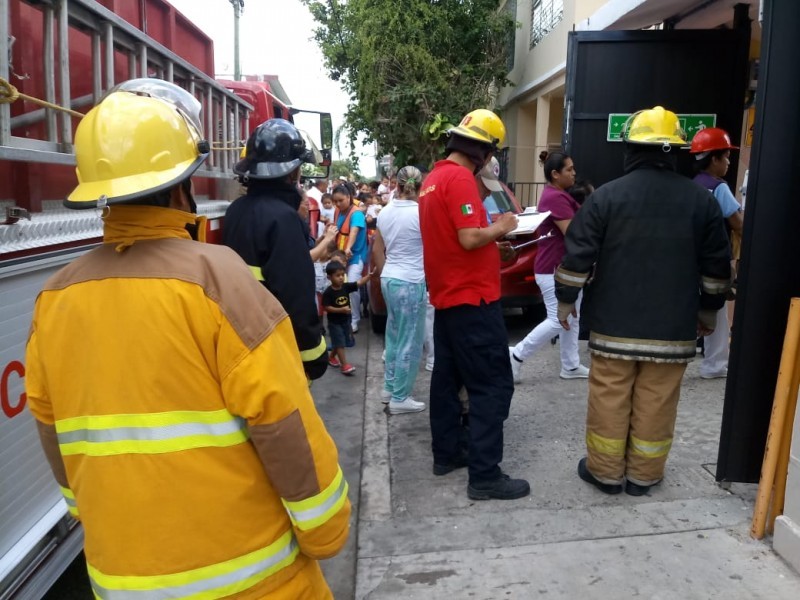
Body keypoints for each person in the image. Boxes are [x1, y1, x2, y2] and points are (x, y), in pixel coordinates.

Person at [25, 79, 350, 598]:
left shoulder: (54, 298)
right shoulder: (216, 280)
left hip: (121, 581)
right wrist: (326, 529)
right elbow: (282, 419)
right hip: (253, 581)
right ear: (183, 184)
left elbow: (53, 433)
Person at [554, 106, 731, 496]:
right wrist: (708, 311)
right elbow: (717, 268)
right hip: (671, 329)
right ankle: (643, 476)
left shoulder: (606, 198)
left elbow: (577, 257)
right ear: (676, 151)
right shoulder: (702, 202)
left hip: (614, 327)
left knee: (610, 399)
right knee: (657, 401)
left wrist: (565, 303)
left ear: (632, 149)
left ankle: (605, 473)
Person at [419, 108, 530, 501]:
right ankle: (485, 476)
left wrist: (490, 246)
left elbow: (456, 242)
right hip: (473, 301)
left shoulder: (432, 181)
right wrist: (503, 225)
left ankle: (446, 454)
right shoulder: (460, 179)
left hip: (448, 299)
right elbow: (468, 238)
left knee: (446, 381)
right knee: (492, 386)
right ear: (484, 151)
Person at [224, 118, 329, 381]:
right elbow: (296, 296)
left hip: (238, 345)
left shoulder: (235, 211)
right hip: (278, 355)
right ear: (293, 173)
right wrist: (313, 358)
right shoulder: (284, 218)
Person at [508, 151, 590, 384]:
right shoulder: (555, 197)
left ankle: (571, 365)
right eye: (569, 169)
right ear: (555, 174)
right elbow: (574, 232)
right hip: (553, 268)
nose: (574, 173)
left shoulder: (559, 194)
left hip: (563, 267)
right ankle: (516, 355)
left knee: (572, 317)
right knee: (558, 319)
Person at [372, 166, 428, 415]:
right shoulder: (421, 213)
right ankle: (400, 397)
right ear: (419, 186)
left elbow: (378, 249)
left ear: (396, 184)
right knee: (410, 340)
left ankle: (389, 388)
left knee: (393, 336)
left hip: (390, 278)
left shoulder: (385, 212)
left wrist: (387, 272)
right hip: (411, 280)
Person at [690, 127, 743, 380]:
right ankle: (714, 365)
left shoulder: (693, 186)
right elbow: (738, 223)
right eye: (726, 157)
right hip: (715, 258)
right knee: (718, 311)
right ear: (714, 159)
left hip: (691, 258)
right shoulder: (719, 187)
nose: (729, 162)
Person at [322, 261, 373, 375]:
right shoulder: (328, 292)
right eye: (337, 275)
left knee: (341, 341)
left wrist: (369, 276)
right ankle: (344, 365)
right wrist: (341, 310)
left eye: (342, 275)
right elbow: (327, 307)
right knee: (340, 343)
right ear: (329, 277)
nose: (341, 278)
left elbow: (358, 283)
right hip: (334, 323)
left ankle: (331, 357)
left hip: (345, 321)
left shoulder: (345, 287)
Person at [331, 183, 369, 333]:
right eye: (336, 201)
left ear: (349, 197)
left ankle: (354, 319)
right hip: (340, 257)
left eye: (341, 200)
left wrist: (348, 248)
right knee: (338, 286)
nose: (338, 204)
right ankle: (343, 315)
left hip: (355, 256)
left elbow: (353, 232)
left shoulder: (357, 214)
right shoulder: (338, 212)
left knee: (352, 285)